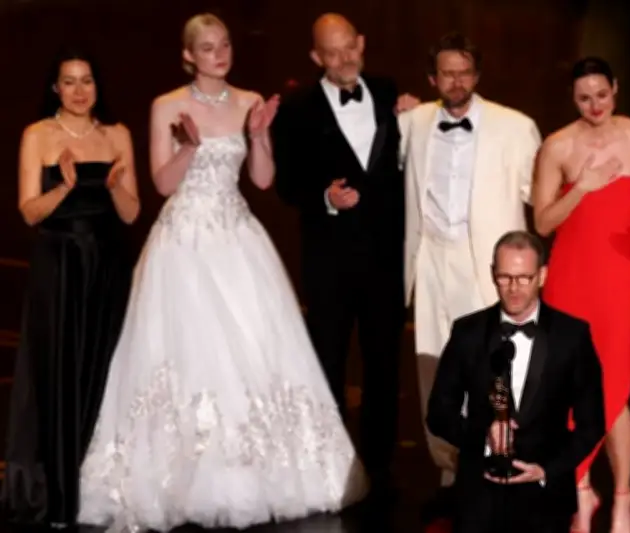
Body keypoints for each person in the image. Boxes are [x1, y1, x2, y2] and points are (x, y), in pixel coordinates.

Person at [77, 14, 367, 532]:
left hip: (236, 237)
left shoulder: (250, 100)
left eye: (225, 44)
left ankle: (259, 473)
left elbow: (262, 179)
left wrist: (258, 136)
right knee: (191, 352)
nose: (220, 54)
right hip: (183, 244)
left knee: (255, 351)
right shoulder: (166, 105)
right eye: (208, 47)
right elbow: (162, 185)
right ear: (189, 56)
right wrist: (189, 147)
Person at [398, 31, 541, 507]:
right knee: (434, 366)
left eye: (464, 73)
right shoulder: (413, 122)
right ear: (432, 78)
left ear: (477, 76)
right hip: (431, 258)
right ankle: (448, 470)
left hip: (486, 262)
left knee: (494, 366)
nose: (456, 82)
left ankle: (500, 464)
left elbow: (540, 196)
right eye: (447, 73)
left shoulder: (515, 126)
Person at [0, 48, 139, 528]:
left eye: (87, 80)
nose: (80, 90)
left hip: (109, 265)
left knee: (103, 371)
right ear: (55, 88)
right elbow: (28, 212)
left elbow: (131, 214)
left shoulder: (117, 134)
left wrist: (115, 185)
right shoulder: (37, 134)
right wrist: (63, 187)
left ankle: (97, 487)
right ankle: (58, 497)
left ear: (98, 85)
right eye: (70, 81)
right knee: (59, 374)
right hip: (58, 264)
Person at [271, 13, 406, 489]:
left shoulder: (390, 93)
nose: (345, 58)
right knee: (327, 360)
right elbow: (286, 184)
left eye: (350, 47)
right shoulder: (296, 108)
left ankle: (380, 468)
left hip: (386, 257)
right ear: (316, 57)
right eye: (333, 52)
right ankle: (329, 466)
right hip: (328, 259)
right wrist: (325, 197)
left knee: (384, 364)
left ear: (361, 42)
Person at [532, 57, 630, 532]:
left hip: (619, 276)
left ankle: (623, 497)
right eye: (584, 98)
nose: (594, 105)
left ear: (616, 88)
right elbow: (543, 222)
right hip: (570, 278)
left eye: (601, 95)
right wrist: (580, 188)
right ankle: (580, 490)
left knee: (616, 388)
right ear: (573, 98)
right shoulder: (558, 145)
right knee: (570, 387)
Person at [426, 230, 605, 533]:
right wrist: (483, 437)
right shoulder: (468, 333)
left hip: (545, 498)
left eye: (524, 278)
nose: (514, 288)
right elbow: (438, 414)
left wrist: (546, 470)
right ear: (492, 275)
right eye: (505, 277)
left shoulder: (571, 336)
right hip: (480, 497)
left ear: (542, 276)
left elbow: (592, 423)